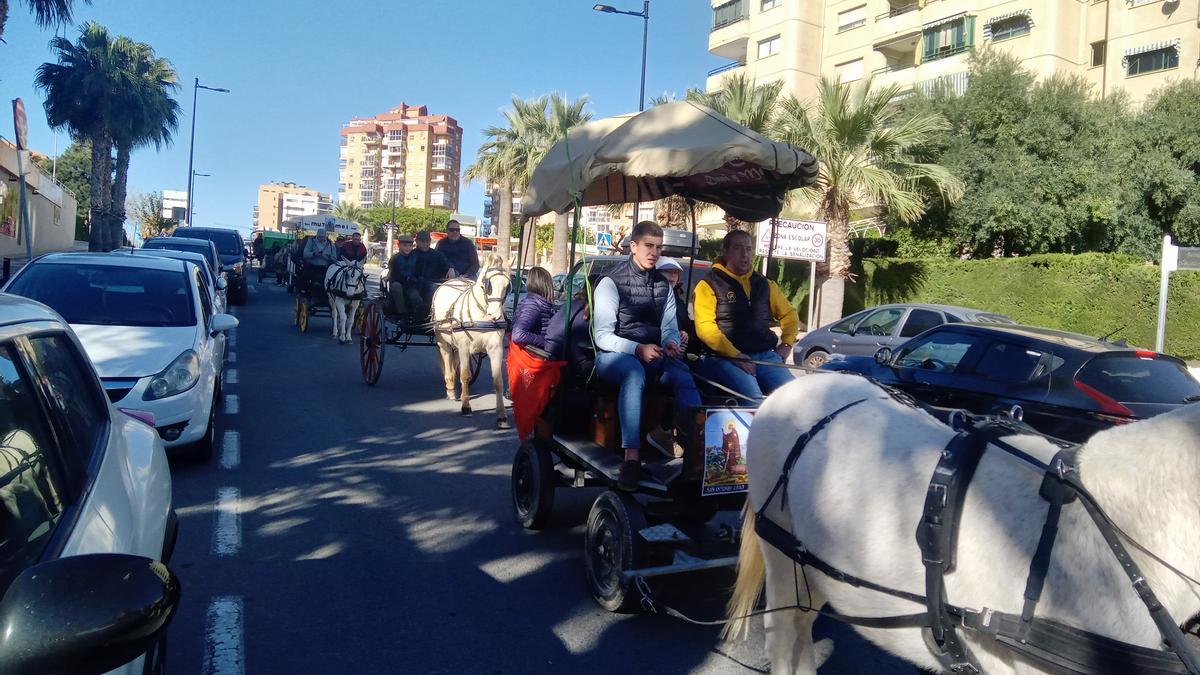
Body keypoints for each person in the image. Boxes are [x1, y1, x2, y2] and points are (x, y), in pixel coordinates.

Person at [593, 221, 701, 491]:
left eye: (658, 247)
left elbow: (668, 329)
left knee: (684, 373)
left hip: (651, 355)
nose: (653, 252)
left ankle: (699, 447)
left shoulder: (663, 286)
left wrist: (672, 343)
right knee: (633, 372)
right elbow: (602, 336)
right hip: (613, 357)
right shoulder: (610, 282)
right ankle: (631, 457)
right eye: (648, 246)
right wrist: (637, 349)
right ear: (633, 247)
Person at [693, 229, 800, 401]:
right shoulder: (708, 285)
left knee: (796, 396)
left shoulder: (765, 284)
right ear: (725, 252)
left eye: (749, 249)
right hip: (723, 358)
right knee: (754, 399)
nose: (745, 254)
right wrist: (735, 355)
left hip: (765, 355)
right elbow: (705, 329)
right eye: (738, 248)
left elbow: (790, 315)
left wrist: (787, 344)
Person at [506, 267, 563, 442]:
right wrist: (546, 341)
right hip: (538, 357)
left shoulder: (541, 303)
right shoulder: (533, 304)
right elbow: (519, 334)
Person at [655, 257, 700, 355]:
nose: (672, 276)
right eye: (668, 271)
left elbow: (691, 331)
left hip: (677, 355)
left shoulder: (680, 303)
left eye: (675, 272)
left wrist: (687, 335)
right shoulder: (648, 297)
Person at [387, 234, 419, 317]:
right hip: (398, 282)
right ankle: (402, 313)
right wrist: (407, 279)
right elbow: (395, 273)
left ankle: (417, 315)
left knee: (415, 296)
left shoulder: (415, 257)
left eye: (410, 245)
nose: (407, 248)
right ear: (399, 246)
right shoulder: (395, 258)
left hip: (411, 284)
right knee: (396, 287)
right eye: (405, 245)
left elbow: (419, 270)